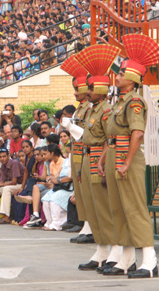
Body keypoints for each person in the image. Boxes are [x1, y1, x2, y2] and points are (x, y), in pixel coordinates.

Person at [99, 34, 159, 279]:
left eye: (120, 74)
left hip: (128, 158)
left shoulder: (135, 101)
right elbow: (112, 133)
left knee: (135, 209)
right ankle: (126, 260)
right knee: (119, 210)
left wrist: (126, 162)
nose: (116, 77)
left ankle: (150, 261)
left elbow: (137, 134)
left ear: (131, 78)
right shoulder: (121, 101)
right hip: (116, 155)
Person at [74, 44, 123, 273]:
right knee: (93, 209)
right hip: (86, 159)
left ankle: (115, 250)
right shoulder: (93, 109)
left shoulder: (104, 110)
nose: (87, 90)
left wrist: (102, 162)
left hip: (97, 160)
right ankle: (102, 250)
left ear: (102, 90)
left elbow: (108, 139)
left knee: (104, 208)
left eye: (91, 87)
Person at [60, 55, 93, 243]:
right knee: (80, 193)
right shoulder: (81, 107)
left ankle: (89, 227)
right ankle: (85, 225)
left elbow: (85, 132)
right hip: (77, 153)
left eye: (76, 89)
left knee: (86, 193)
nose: (74, 93)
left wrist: (70, 127)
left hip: (85, 153)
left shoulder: (88, 107)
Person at [41, 145, 73, 231]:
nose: (66, 154)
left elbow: (71, 177)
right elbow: (59, 173)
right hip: (61, 186)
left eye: (68, 152)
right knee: (46, 198)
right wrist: (52, 178)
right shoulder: (66, 161)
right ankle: (49, 222)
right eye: (66, 152)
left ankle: (57, 224)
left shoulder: (74, 161)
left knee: (54, 198)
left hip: (70, 187)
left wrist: (58, 181)